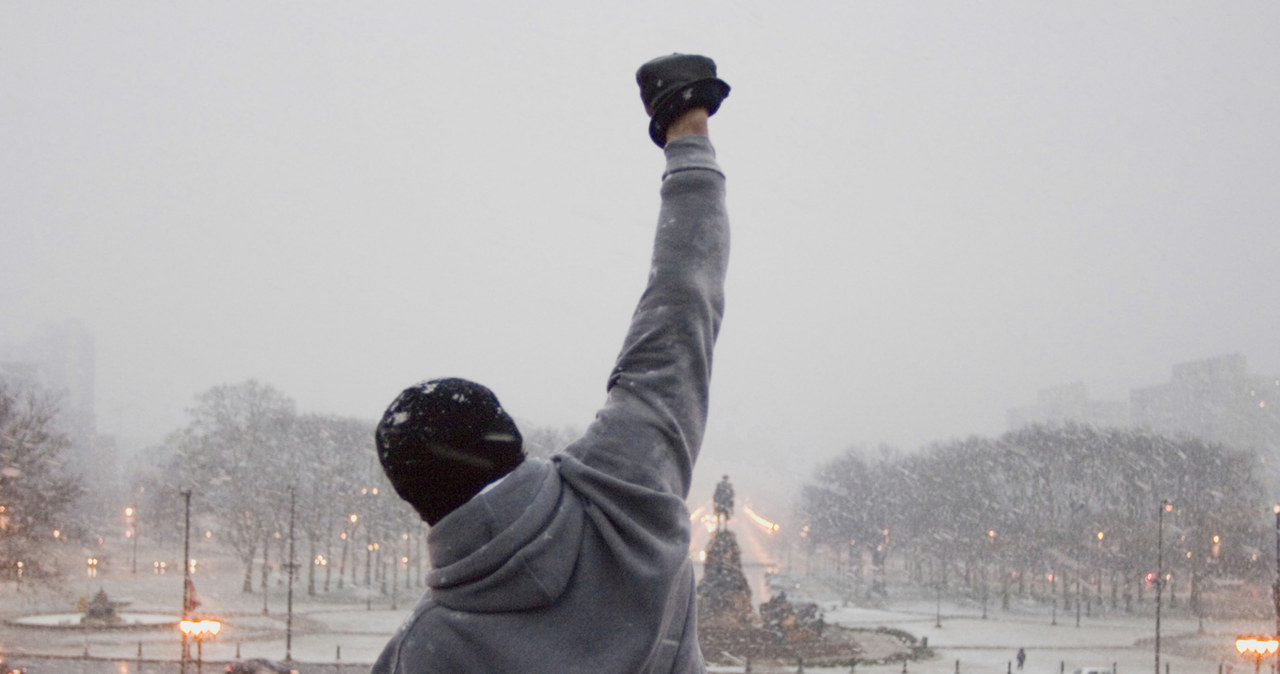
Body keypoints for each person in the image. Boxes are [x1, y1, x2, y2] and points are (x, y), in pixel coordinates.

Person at [371, 53, 731, 673]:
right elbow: (681, 302)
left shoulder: (428, 651)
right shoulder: (626, 487)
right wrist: (686, 129)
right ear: (509, 436)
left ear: (417, 502)